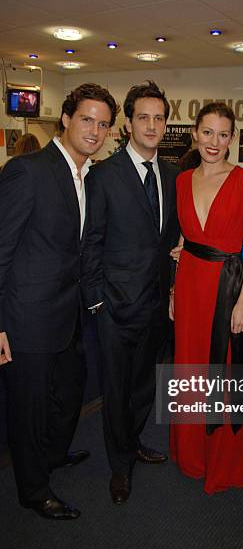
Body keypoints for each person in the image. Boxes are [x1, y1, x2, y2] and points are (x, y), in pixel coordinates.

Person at [0, 83, 118, 520]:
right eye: (87, 119)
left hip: (69, 316)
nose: (95, 130)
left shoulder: (89, 175)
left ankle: (50, 455)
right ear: (65, 119)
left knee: (67, 395)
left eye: (104, 123)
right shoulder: (28, 171)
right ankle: (33, 489)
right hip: (26, 317)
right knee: (28, 408)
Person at [81, 81, 179, 505]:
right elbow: (90, 244)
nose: (152, 125)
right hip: (115, 308)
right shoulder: (103, 175)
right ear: (128, 123)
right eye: (144, 117)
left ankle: (134, 440)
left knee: (143, 386)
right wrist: (99, 301)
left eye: (159, 118)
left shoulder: (173, 175)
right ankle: (120, 465)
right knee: (117, 390)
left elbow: (172, 237)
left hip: (157, 306)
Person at [169, 102, 243, 494]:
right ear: (195, 133)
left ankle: (220, 461)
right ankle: (190, 455)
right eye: (208, 132)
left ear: (232, 140)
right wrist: (174, 289)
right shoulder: (181, 179)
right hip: (189, 286)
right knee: (189, 370)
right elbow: (183, 240)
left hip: (226, 287)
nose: (215, 142)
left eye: (224, 134)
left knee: (220, 376)